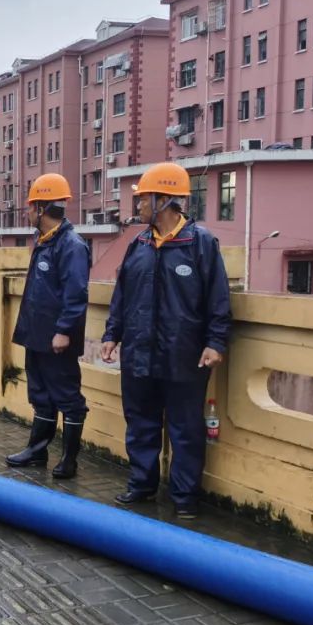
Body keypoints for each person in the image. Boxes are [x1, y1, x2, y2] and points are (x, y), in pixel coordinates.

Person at [101, 162, 231, 519]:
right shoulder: (139, 244)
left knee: (185, 427)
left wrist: (216, 342)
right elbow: (122, 295)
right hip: (139, 351)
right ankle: (141, 484)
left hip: (183, 354)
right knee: (140, 420)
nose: (139, 205)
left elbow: (218, 298)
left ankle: (184, 496)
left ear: (164, 200)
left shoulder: (200, 243)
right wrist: (113, 334)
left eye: (144, 199)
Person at [6, 173, 91, 479]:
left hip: (57, 339)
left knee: (68, 397)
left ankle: (69, 460)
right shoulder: (43, 241)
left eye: (31, 206)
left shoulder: (71, 245)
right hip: (37, 334)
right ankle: (37, 450)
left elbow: (76, 293)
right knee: (40, 393)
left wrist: (64, 330)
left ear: (41, 208)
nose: (27, 212)